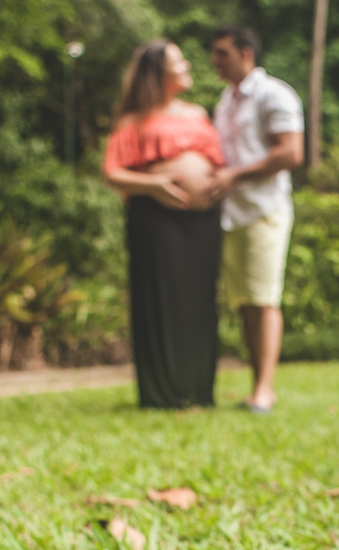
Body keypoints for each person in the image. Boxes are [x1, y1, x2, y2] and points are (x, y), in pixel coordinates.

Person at [101, 40, 225, 408]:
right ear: (157, 71)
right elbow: (112, 173)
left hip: (203, 221)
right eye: (178, 60)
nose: (187, 64)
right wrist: (153, 184)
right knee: (161, 301)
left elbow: (215, 163)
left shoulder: (198, 113)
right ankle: (161, 393)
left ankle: (198, 389)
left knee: (200, 301)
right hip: (155, 219)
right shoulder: (133, 120)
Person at [206, 25, 304, 414]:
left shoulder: (274, 94)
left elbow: (291, 152)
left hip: (265, 210)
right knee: (245, 304)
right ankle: (254, 385)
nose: (215, 60)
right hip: (232, 214)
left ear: (246, 53)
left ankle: (265, 390)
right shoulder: (225, 101)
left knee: (264, 301)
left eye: (222, 53)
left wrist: (234, 175)